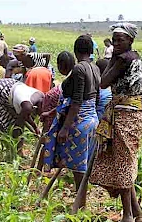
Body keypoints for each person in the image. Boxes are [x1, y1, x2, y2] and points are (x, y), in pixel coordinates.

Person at [77, 23, 142, 222]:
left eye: (121, 39)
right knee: (122, 160)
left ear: (130, 41)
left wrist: (112, 61)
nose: (117, 43)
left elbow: (103, 82)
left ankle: (127, 216)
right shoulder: (135, 57)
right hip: (132, 113)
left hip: (125, 115)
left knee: (123, 163)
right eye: (115, 39)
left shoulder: (123, 60)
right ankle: (136, 212)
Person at [43, 38, 101, 192]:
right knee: (84, 161)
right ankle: (80, 195)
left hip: (79, 121)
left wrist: (65, 128)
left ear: (76, 51)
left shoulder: (79, 69)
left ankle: (80, 199)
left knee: (78, 165)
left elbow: (77, 101)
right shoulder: (94, 68)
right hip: (92, 118)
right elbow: (97, 96)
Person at [0, 78, 44, 158]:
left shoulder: (42, 96)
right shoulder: (27, 106)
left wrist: (35, 128)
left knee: (16, 123)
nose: (39, 116)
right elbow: (19, 124)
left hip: (12, 91)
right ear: (35, 108)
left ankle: (19, 152)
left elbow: (26, 116)